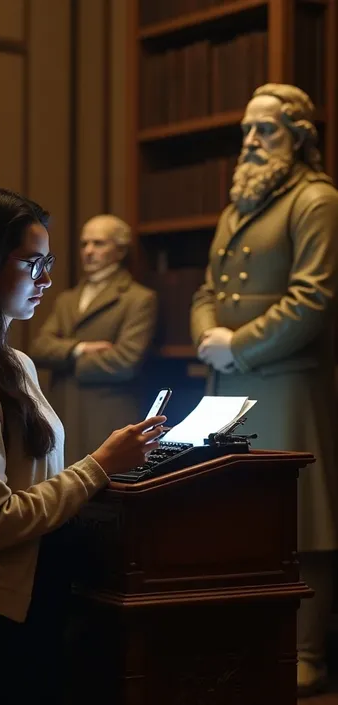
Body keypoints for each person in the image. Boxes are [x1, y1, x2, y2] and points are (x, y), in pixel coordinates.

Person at [0, 189, 165, 704]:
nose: (45, 279)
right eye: (31, 263)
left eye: (49, 262)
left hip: (36, 604)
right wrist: (101, 465)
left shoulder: (15, 362)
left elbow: (37, 485)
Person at [190, 84, 338, 698]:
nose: (250, 142)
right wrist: (209, 338)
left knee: (303, 520)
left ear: (299, 137)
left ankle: (305, 651)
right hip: (227, 383)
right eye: (247, 130)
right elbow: (205, 291)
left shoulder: (316, 199)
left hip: (286, 384)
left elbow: (314, 297)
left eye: (266, 130)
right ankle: (245, 644)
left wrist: (239, 344)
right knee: (233, 517)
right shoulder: (236, 206)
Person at [30, 214, 157, 465]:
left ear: (120, 251)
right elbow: (39, 347)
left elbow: (125, 361)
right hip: (64, 413)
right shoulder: (67, 299)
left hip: (107, 418)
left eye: (99, 244)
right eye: (84, 244)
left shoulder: (138, 299)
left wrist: (66, 362)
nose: (88, 251)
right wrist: (80, 349)